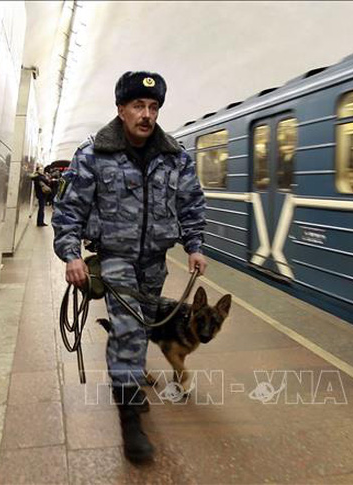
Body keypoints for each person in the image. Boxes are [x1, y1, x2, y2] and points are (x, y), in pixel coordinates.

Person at [52, 71, 207, 463]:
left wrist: (194, 246)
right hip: (116, 259)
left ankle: (129, 384)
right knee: (130, 331)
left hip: (155, 262)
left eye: (153, 107)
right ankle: (129, 421)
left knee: (142, 328)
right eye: (138, 106)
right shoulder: (93, 155)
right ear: (121, 110)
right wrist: (71, 254)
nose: (147, 114)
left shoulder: (176, 157)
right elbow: (69, 210)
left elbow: (191, 203)